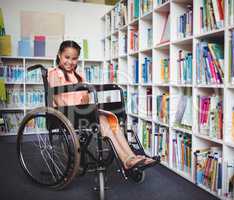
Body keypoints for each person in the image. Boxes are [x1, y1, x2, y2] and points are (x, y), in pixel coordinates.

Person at [48, 40, 156, 170]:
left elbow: (85, 97)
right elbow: (57, 98)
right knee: (103, 120)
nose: (70, 62)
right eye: (67, 57)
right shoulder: (54, 73)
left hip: (82, 112)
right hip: (66, 114)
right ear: (59, 55)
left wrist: (86, 102)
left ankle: (132, 156)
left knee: (111, 118)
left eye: (74, 58)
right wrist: (71, 113)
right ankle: (127, 160)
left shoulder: (78, 75)